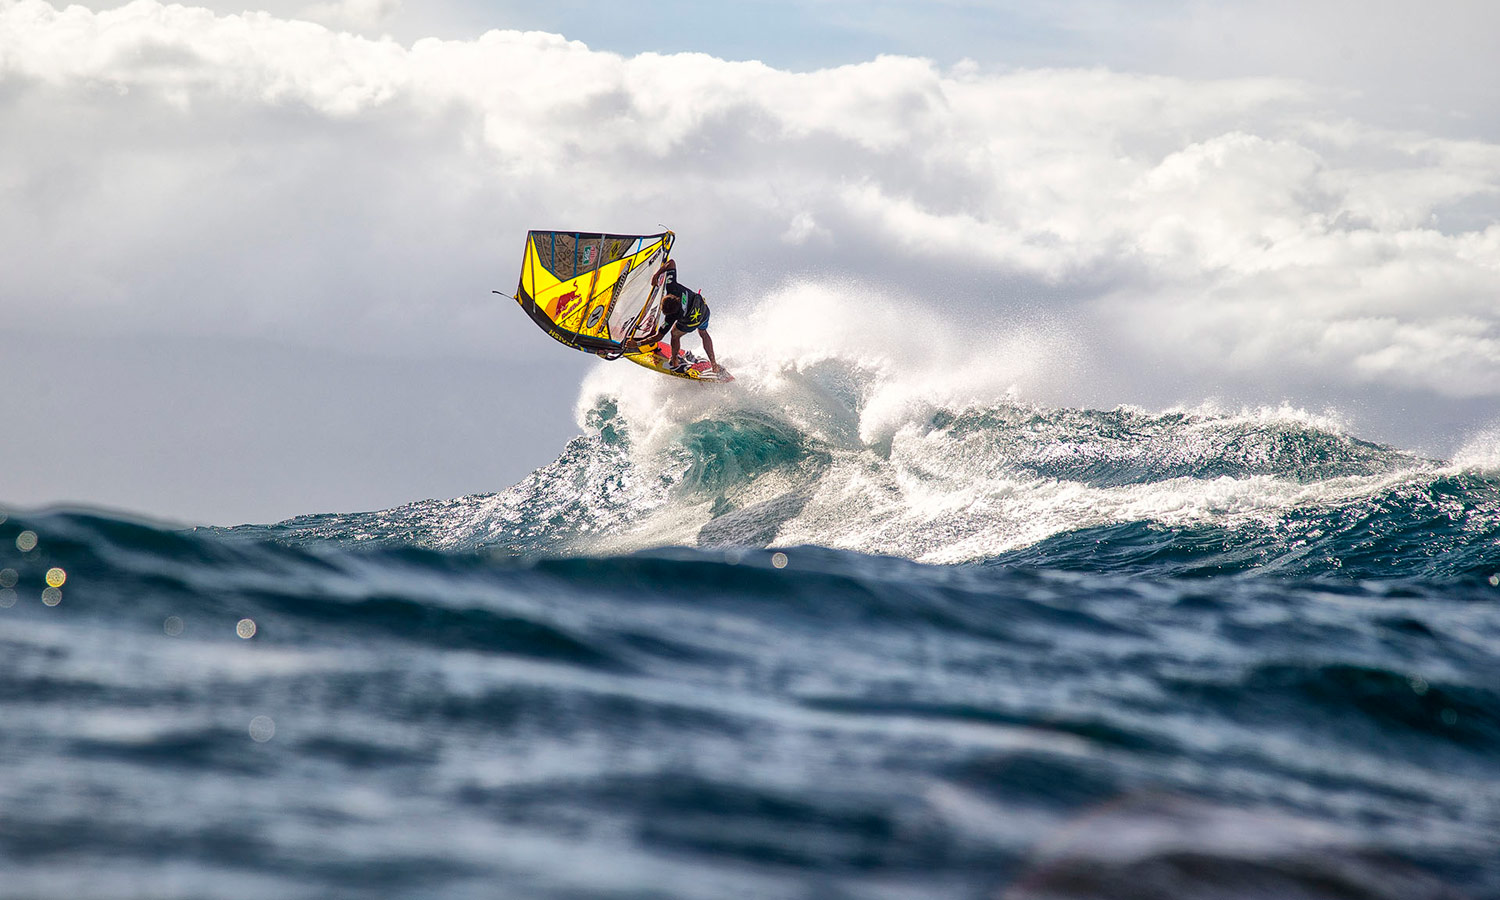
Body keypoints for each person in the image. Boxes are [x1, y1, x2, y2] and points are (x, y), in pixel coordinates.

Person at [624, 266, 722, 374]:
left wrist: (637, 344)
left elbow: (658, 337)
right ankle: (714, 365)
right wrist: (657, 274)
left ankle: (675, 362)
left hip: (692, 320)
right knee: (703, 332)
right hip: (704, 310)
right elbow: (671, 263)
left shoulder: (672, 315)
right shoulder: (672, 287)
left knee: (674, 334)